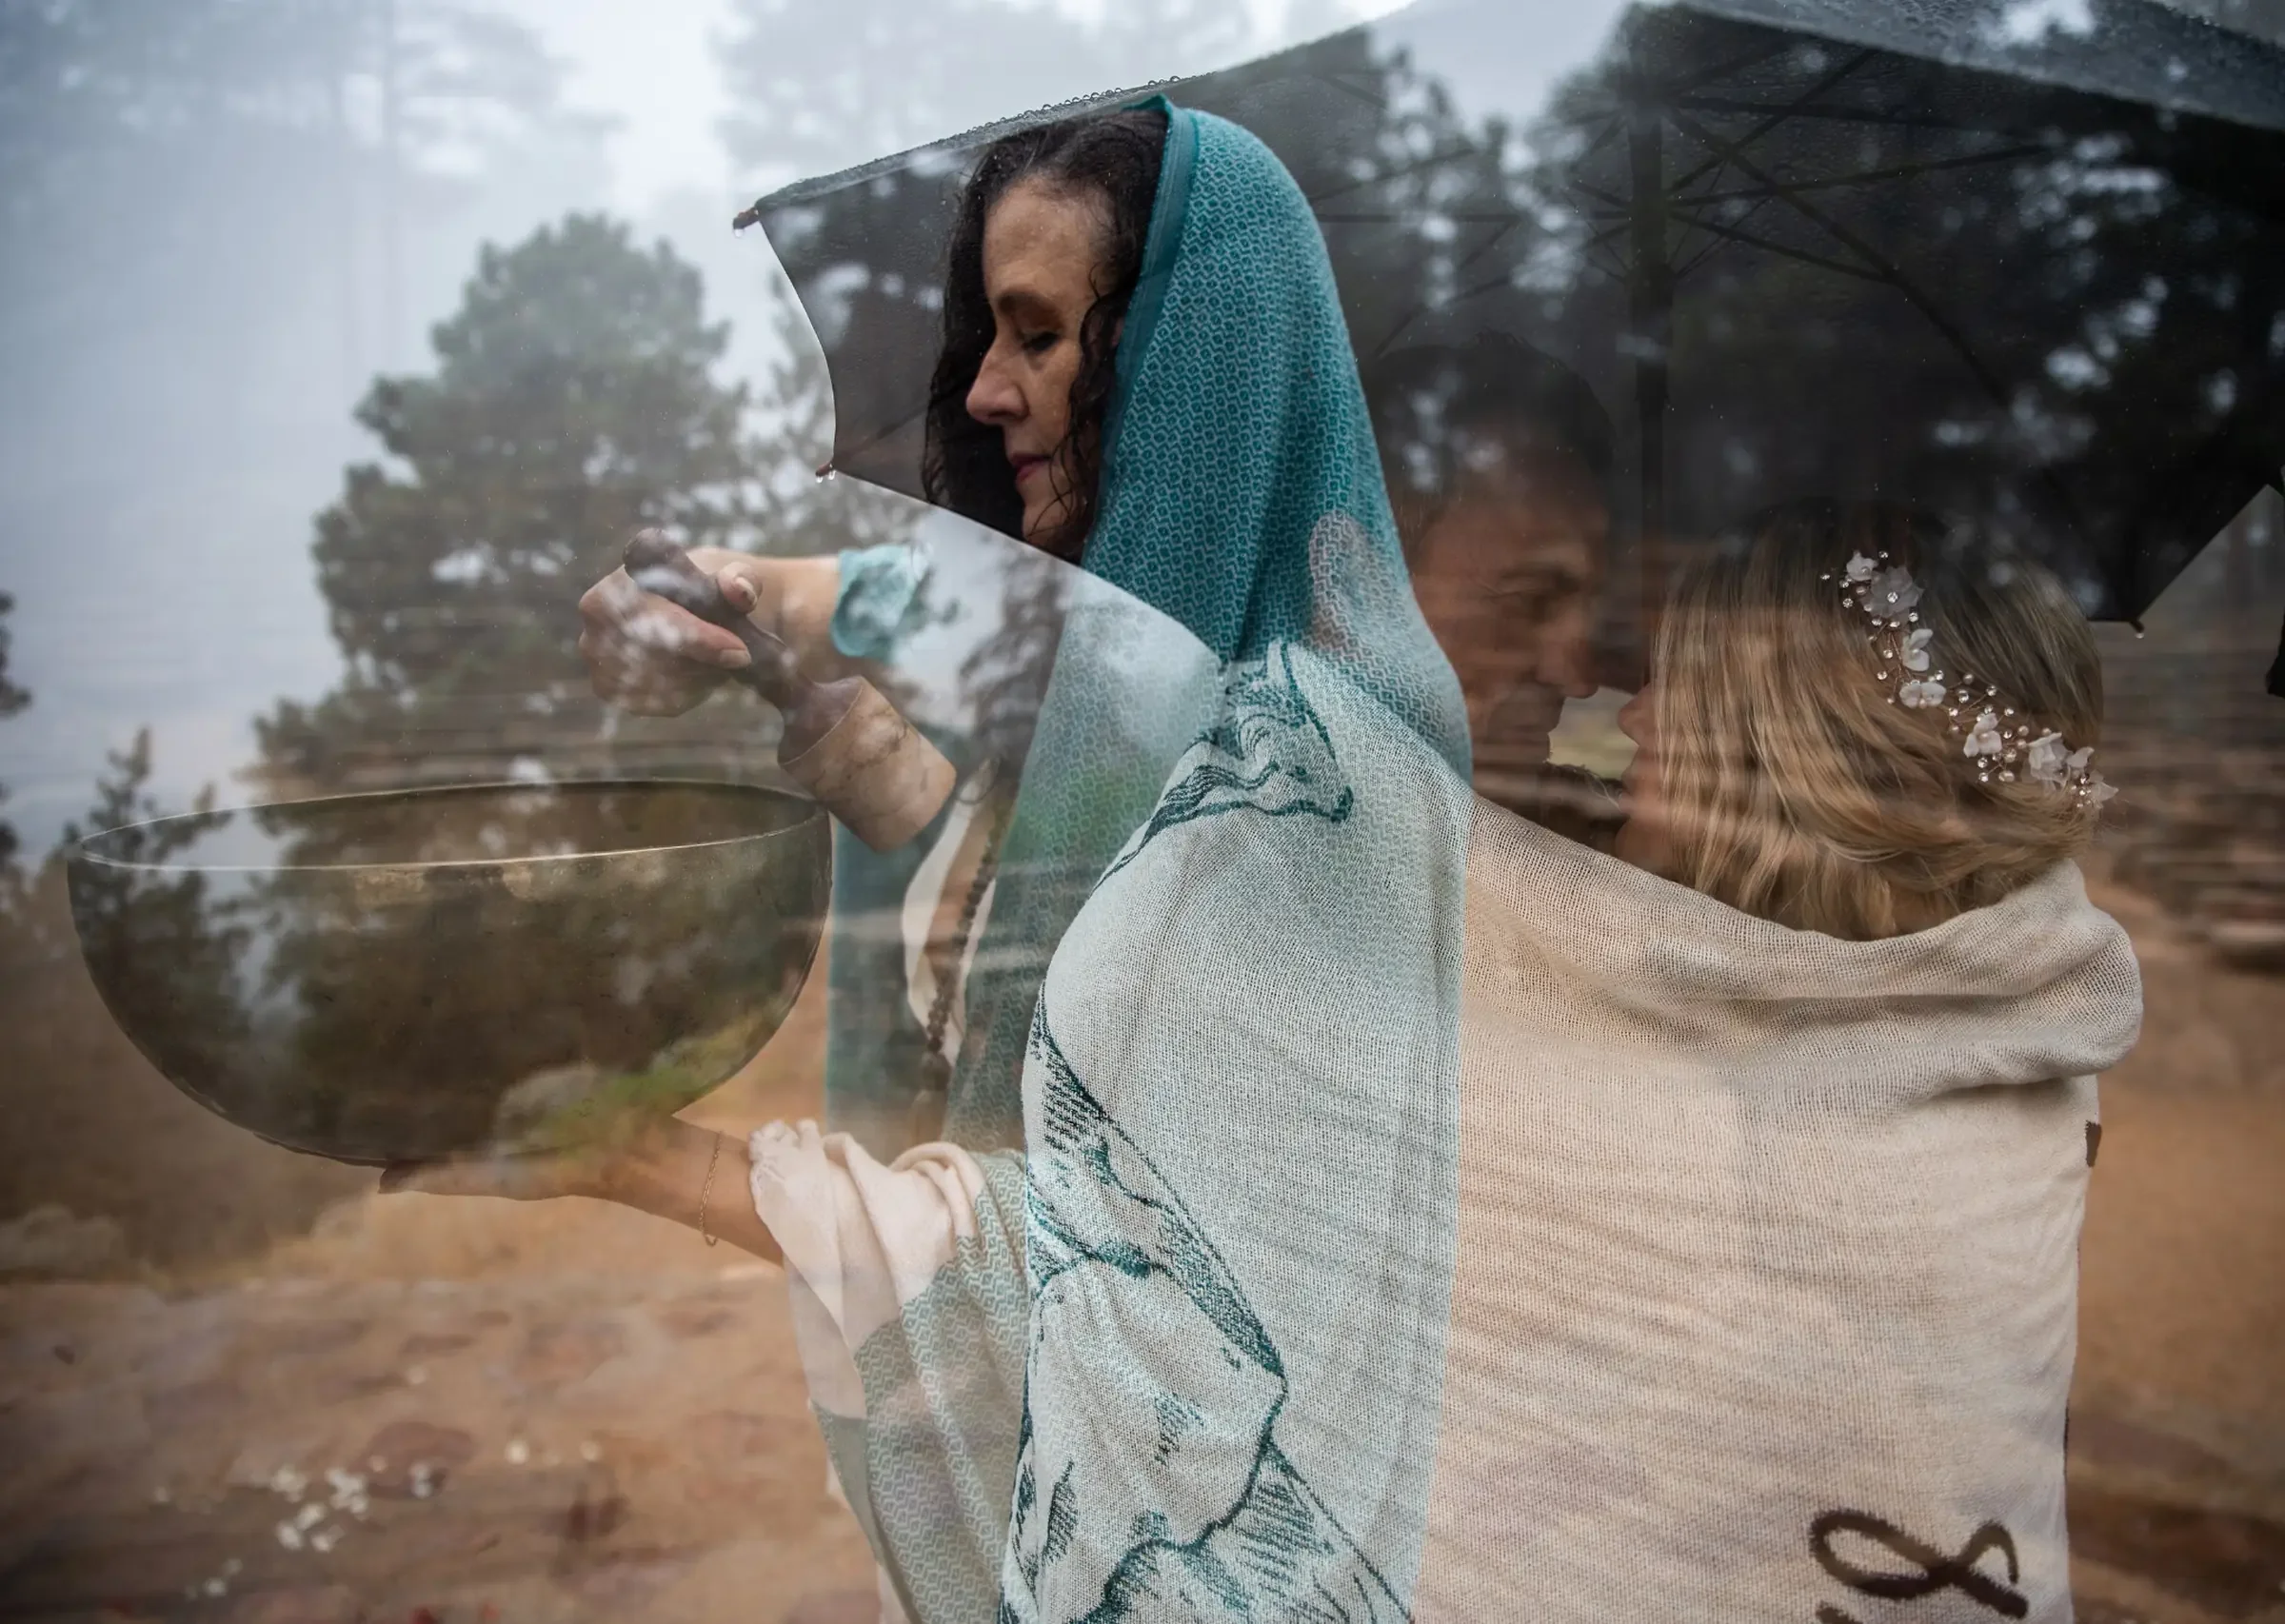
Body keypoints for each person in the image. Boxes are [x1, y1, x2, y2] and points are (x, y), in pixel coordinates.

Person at [1394, 498, 2141, 1620]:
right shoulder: (2018, 999)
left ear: (1775, 762)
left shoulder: (1587, 1074)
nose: (1630, 714)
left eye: (1676, 688)